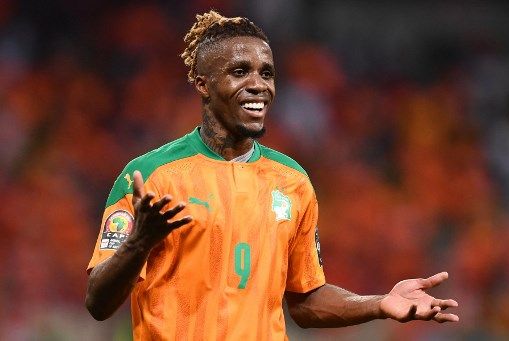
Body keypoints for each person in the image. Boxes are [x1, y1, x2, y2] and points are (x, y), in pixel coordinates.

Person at [85, 10, 459, 340]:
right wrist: (139, 243)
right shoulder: (149, 175)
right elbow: (98, 303)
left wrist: (380, 303)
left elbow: (305, 300)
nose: (259, 85)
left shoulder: (292, 181)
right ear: (202, 84)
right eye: (239, 71)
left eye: (267, 73)